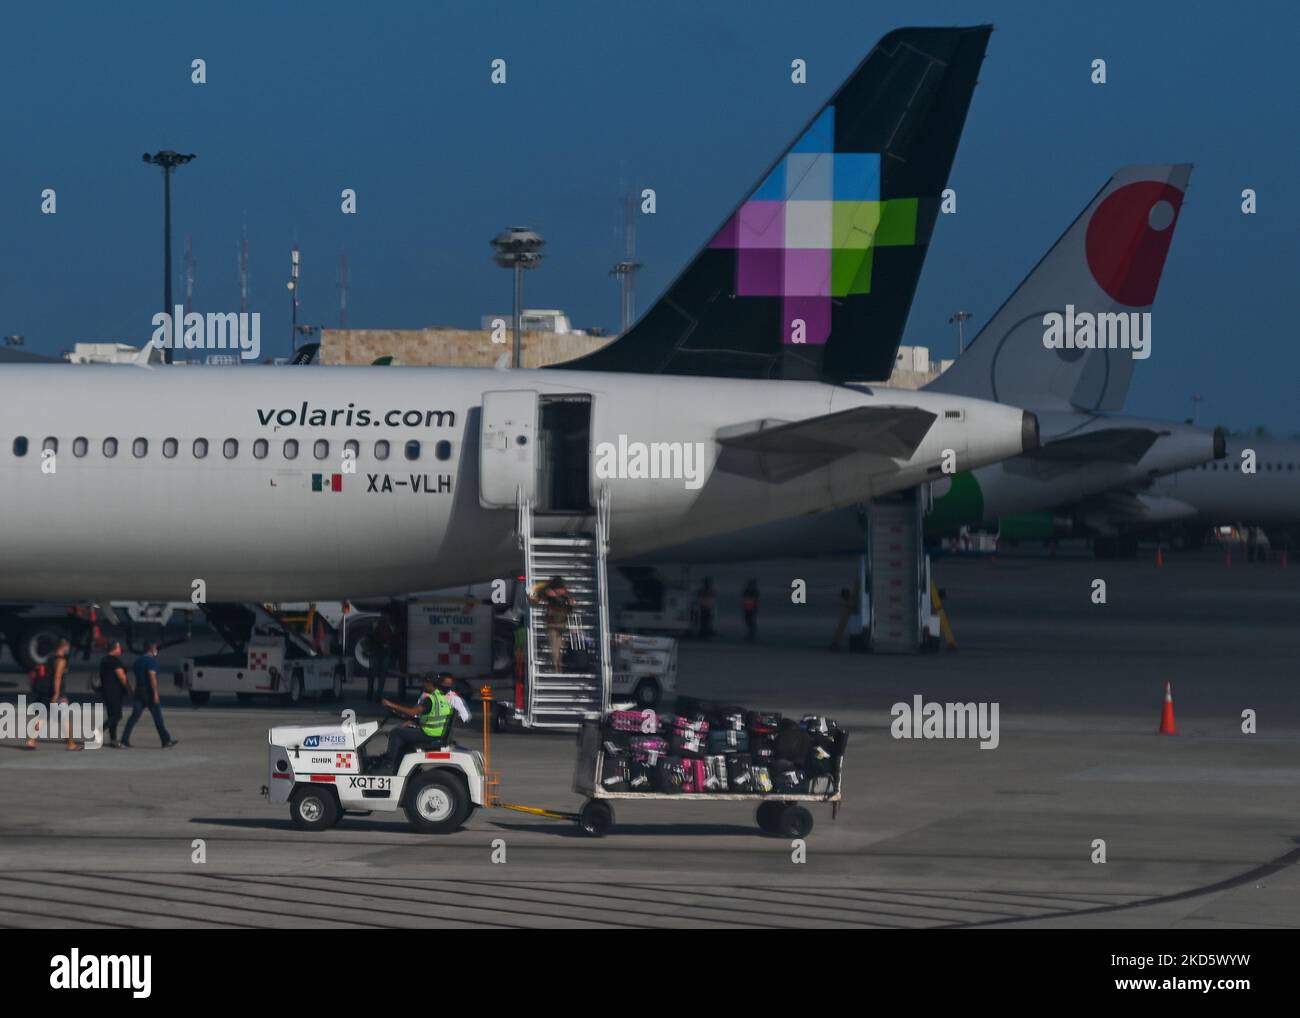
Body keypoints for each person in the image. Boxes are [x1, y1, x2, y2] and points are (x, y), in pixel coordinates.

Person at [379, 674, 458, 773]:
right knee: (404, 732)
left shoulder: (430, 699)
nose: (423, 685)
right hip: (437, 733)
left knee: (396, 733)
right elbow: (432, 717)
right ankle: (398, 764)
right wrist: (413, 721)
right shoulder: (443, 697)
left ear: (430, 684)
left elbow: (412, 712)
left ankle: (388, 765)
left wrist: (391, 705)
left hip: (429, 734)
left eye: (424, 683)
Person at [24, 638, 81, 750]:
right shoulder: (61, 661)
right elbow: (57, 677)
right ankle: (71, 744)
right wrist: (57, 694)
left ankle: (31, 740)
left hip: (46, 692)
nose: (69, 649)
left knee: (43, 717)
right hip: (56, 694)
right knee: (65, 718)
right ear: (63, 647)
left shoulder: (49, 659)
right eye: (68, 647)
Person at [121, 642, 178, 749]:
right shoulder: (152, 662)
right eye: (155, 649)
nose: (156, 651)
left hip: (139, 691)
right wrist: (155, 693)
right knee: (158, 718)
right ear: (151, 649)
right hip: (149, 692)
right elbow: (152, 677)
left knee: (134, 717)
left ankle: (124, 739)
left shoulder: (137, 661)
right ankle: (166, 740)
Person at [530, 576, 575, 673]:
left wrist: (569, 603)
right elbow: (534, 597)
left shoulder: (563, 594)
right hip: (554, 624)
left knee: (558, 647)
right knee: (555, 647)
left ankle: (558, 667)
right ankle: (557, 668)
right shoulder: (550, 592)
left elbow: (570, 606)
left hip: (560, 624)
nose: (560, 590)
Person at [98, 639, 131, 747]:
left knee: (112, 715)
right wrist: (129, 689)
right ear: (115, 649)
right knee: (117, 715)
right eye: (119, 647)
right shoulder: (114, 661)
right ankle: (98, 731)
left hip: (106, 692)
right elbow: (121, 676)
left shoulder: (104, 660)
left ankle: (113, 739)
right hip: (115, 692)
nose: (120, 649)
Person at [366, 607, 397, 703]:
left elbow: (394, 640)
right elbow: (369, 637)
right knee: (374, 674)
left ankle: (377, 695)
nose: (385, 617)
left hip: (383, 653)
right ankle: (371, 694)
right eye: (384, 615)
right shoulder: (376, 625)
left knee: (380, 675)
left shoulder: (391, 626)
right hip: (377, 652)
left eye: (386, 615)